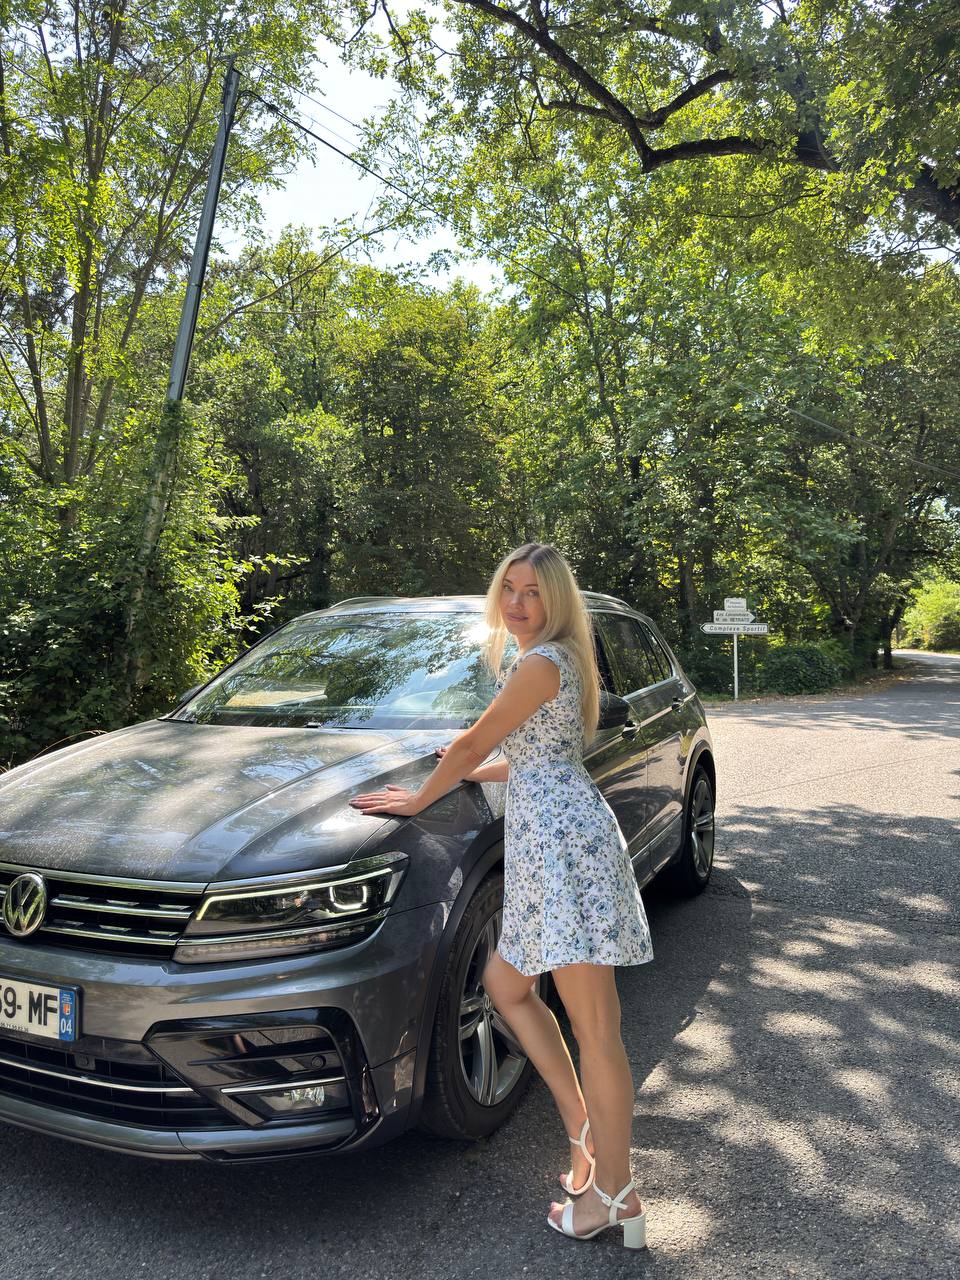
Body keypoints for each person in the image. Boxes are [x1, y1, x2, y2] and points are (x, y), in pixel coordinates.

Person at [349, 542, 654, 1249]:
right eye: (509, 588)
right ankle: (582, 1130)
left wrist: (420, 797)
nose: (517, 603)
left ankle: (616, 1194)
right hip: (555, 843)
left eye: (533, 592)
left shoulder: (540, 662)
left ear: (556, 600)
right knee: (506, 984)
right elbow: (533, 757)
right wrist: (469, 774)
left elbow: (470, 742)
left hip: (565, 852)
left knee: (597, 1032)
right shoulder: (557, 660)